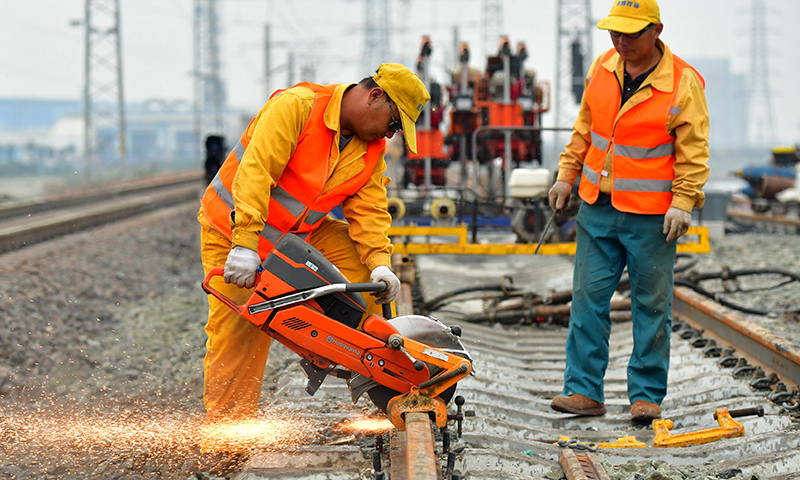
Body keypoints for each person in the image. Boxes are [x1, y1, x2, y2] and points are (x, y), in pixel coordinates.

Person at [197, 63, 430, 429]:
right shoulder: (298, 107)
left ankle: (384, 383)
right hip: (234, 230)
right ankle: (226, 435)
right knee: (240, 335)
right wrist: (244, 244)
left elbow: (369, 210)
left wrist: (380, 263)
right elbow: (255, 173)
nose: (391, 133)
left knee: (368, 281)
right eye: (395, 123)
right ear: (375, 96)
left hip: (297, 236)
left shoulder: (371, 148)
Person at [547, 0, 709, 423]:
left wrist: (683, 202)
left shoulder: (682, 82)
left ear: (656, 31)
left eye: (631, 34)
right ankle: (583, 391)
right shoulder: (603, 68)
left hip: (652, 216)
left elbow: (693, 152)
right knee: (587, 300)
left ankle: (646, 396)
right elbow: (585, 130)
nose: (621, 42)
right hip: (597, 208)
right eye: (615, 33)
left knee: (651, 306)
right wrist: (566, 175)